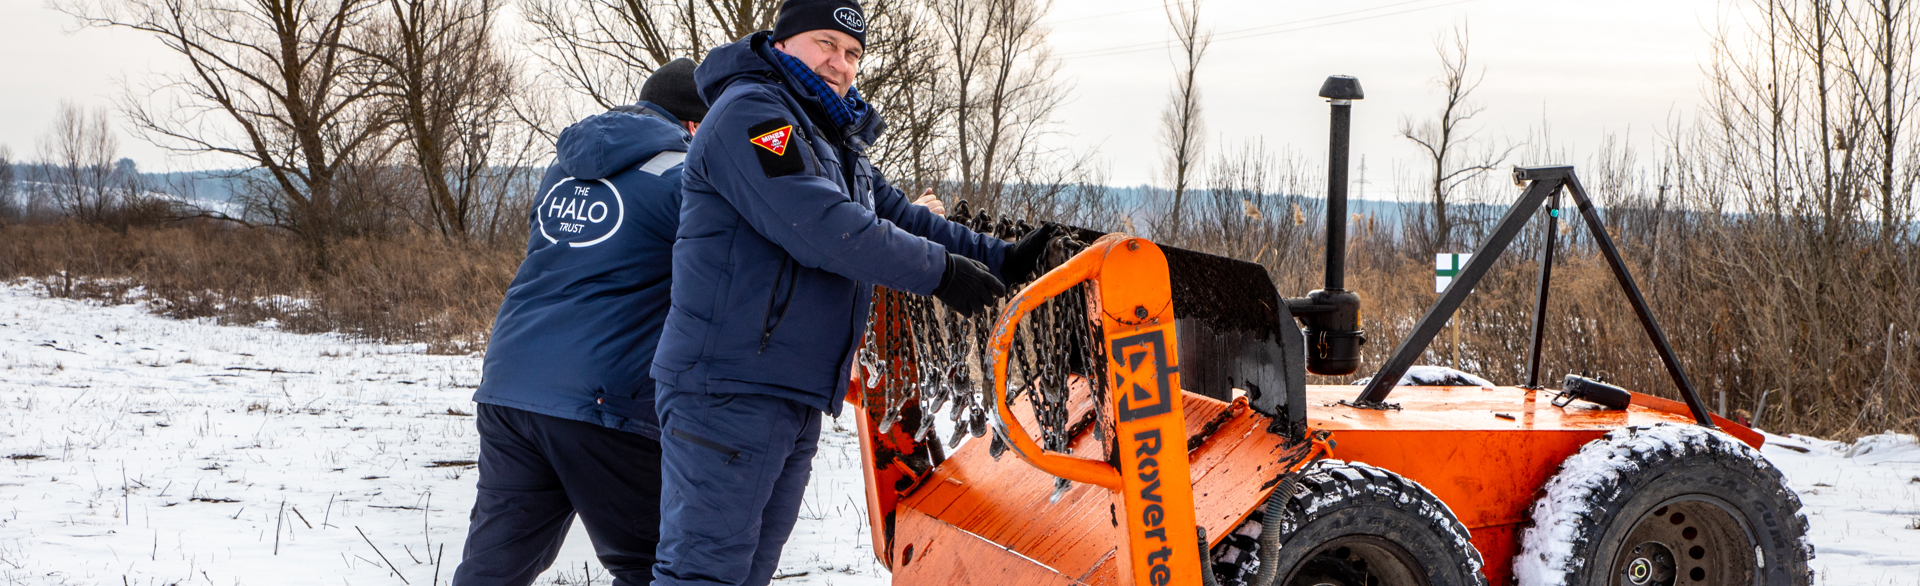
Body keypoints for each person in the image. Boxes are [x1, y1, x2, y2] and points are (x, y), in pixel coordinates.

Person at [648, 1, 1059, 584]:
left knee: (746, 572)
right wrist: (944, 274)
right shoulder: (754, 117)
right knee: (705, 575)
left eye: (852, 53)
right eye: (825, 44)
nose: (839, 63)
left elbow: (892, 213)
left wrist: (997, 256)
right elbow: (821, 226)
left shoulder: (827, 132)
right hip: (729, 388)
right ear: (784, 41)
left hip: (786, 388)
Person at [453, 58, 706, 586]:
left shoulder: (563, 169)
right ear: (695, 125)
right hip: (603, 397)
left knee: (494, 566)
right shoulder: (683, 176)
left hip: (509, 384)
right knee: (656, 563)